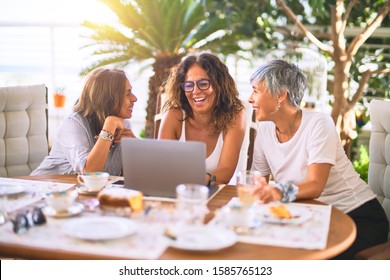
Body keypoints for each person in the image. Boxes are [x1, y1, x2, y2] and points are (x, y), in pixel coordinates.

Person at [248, 59, 388, 259]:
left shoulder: (318, 123)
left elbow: (315, 185)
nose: (249, 99)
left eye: (255, 91)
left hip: (356, 216)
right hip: (310, 216)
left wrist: (276, 191)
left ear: (280, 95)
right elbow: (258, 182)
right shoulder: (265, 131)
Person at [158, 53, 246, 186]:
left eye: (203, 84)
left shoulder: (235, 116)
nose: (195, 91)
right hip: (177, 195)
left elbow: (226, 171)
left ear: (219, 85)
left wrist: (193, 181)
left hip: (217, 198)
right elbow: (161, 165)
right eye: (189, 85)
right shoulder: (173, 116)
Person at [31, 67, 137, 176]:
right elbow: (89, 171)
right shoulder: (73, 123)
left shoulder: (124, 125)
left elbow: (129, 177)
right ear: (107, 98)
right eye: (127, 93)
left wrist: (135, 147)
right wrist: (109, 126)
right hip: (42, 188)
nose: (135, 98)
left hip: (85, 192)